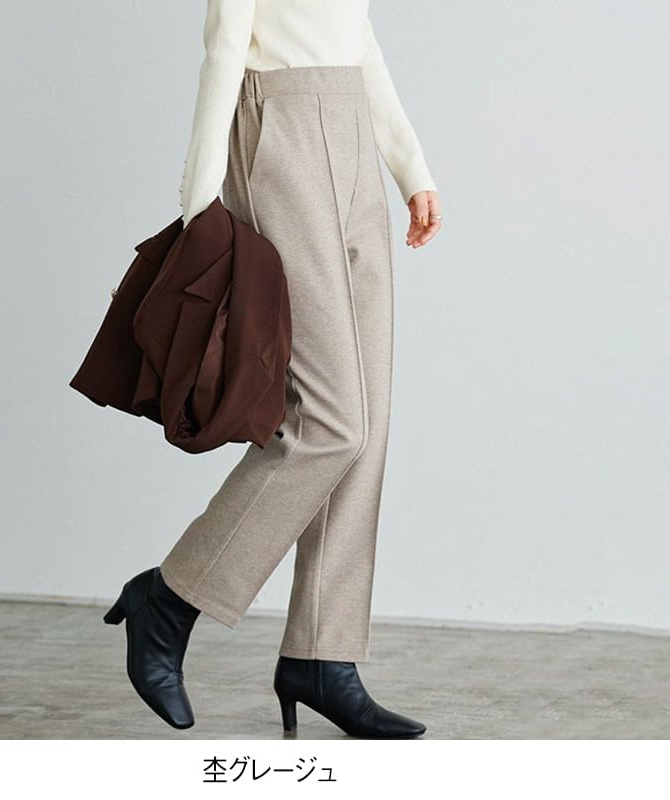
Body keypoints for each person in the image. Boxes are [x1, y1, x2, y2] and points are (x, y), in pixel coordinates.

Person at [103, 0, 443, 739]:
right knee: (332, 421)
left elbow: (358, 36)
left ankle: (324, 655)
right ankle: (170, 598)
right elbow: (225, 47)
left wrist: (409, 165)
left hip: (351, 124)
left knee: (368, 420)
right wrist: (199, 202)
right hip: (278, 131)